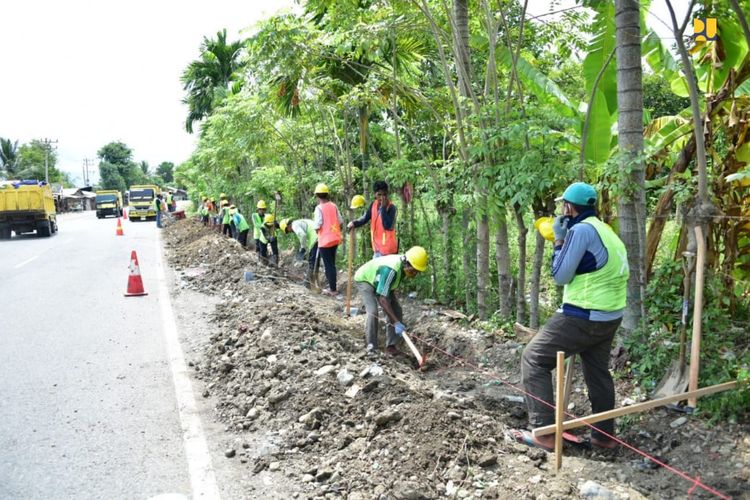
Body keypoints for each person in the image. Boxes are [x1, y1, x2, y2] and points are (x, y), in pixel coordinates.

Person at [511, 182, 629, 452]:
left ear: (569, 207)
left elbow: (561, 275)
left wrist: (560, 241)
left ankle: (544, 433)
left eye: (563, 205)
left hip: (583, 314)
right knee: (598, 372)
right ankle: (604, 437)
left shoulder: (580, 230)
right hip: (610, 316)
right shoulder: (606, 230)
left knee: (534, 359)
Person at [353, 246, 429, 355]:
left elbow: (386, 290)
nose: (415, 274)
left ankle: (391, 346)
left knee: (396, 310)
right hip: (365, 279)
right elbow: (382, 299)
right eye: (414, 270)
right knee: (373, 311)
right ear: (407, 263)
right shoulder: (391, 270)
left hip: (380, 281)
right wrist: (396, 322)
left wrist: (395, 318)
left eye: (417, 272)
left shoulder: (403, 268)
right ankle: (371, 346)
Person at [347, 181, 398, 257]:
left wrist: (383, 208)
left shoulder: (391, 208)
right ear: (375, 194)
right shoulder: (373, 205)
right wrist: (354, 223)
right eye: (379, 195)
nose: (382, 197)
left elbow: (387, 225)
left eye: (384, 194)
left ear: (387, 194)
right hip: (377, 249)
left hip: (388, 251)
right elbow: (365, 218)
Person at [313, 183, 344, 296]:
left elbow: (317, 225)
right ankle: (332, 286)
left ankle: (333, 289)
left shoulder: (319, 208)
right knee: (332, 264)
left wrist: (317, 231)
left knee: (328, 265)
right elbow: (340, 221)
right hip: (335, 239)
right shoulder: (333, 206)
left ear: (317, 196)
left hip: (324, 241)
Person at [280, 218, 318, 283]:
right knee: (315, 261)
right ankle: (314, 281)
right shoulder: (299, 222)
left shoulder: (294, 225)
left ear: (287, 226)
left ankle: (308, 283)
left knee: (312, 262)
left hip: (315, 238)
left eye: (287, 231)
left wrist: (303, 247)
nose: (290, 232)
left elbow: (303, 235)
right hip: (319, 236)